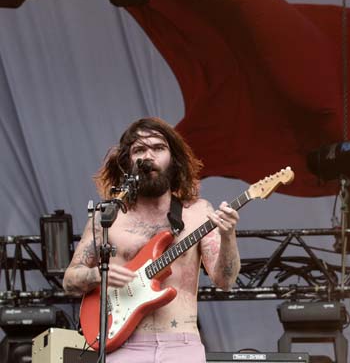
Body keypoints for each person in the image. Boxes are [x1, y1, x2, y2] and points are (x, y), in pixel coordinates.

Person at [63, 117, 240, 363]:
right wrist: (98, 276)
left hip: (182, 344)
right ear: (127, 163)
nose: (149, 156)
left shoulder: (199, 213)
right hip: (123, 345)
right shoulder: (108, 217)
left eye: (158, 147)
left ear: (174, 160)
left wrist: (228, 235)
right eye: (139, 149)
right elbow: (70, 279)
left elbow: (225, 281)